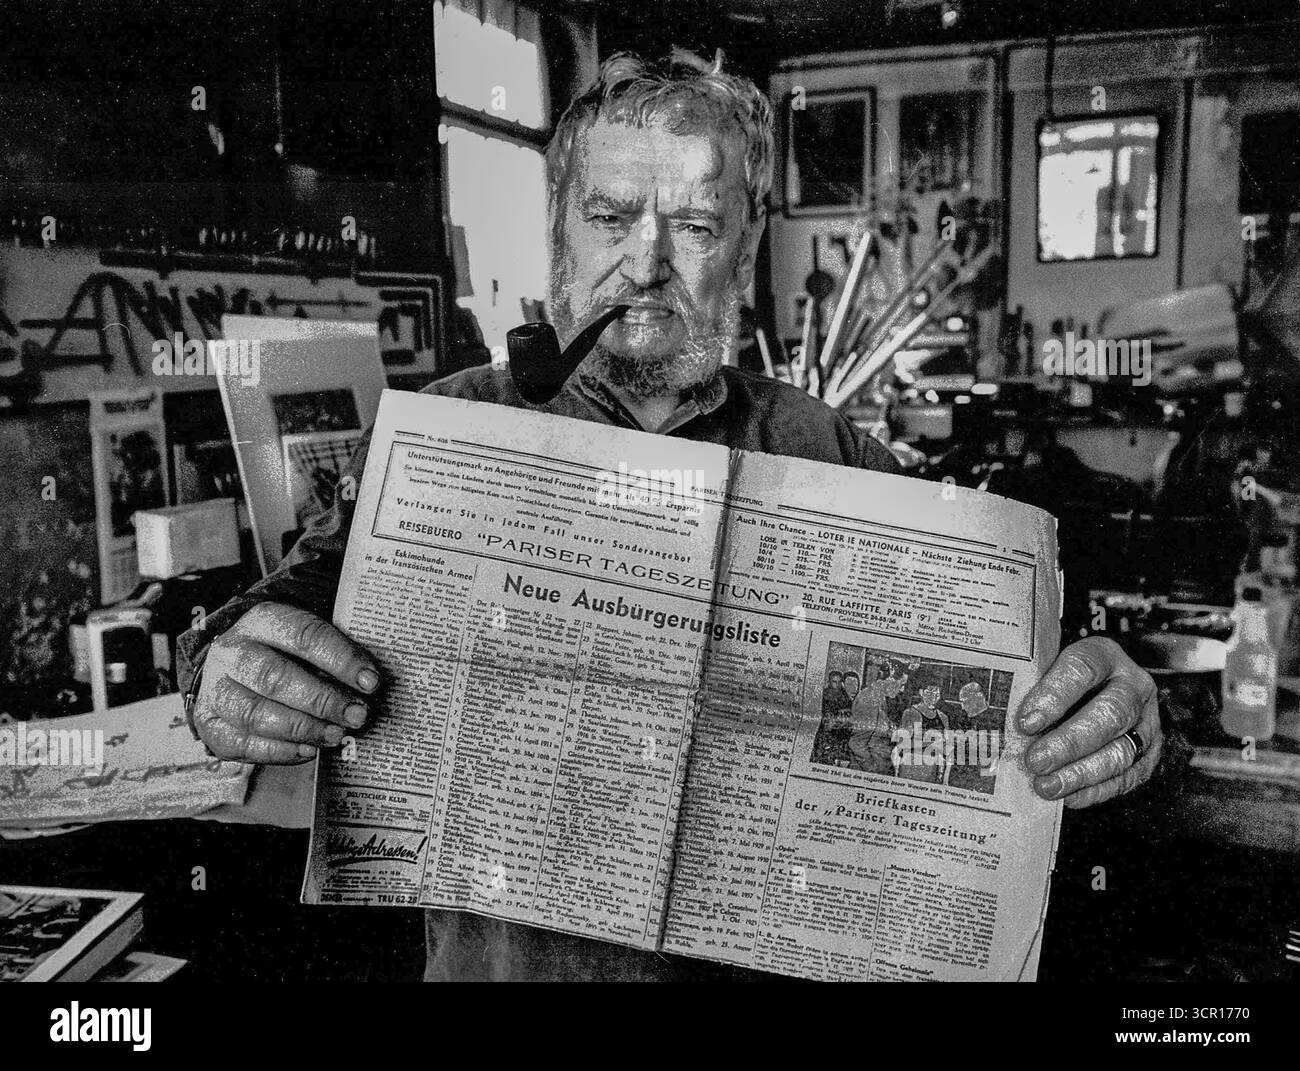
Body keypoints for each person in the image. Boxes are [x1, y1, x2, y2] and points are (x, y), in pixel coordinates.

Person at [178, 49, 1164, 981]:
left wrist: (1118, 711)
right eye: (611, 217)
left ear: (742, 246)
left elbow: (989, 711)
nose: (647, 264)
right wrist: (222, 667)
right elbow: (279, 611)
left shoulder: (830, 454)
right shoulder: (442, 429)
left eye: (694, 227)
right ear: (560, 223)